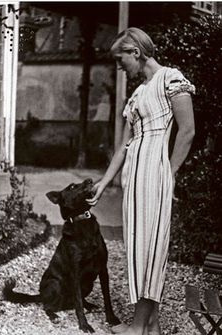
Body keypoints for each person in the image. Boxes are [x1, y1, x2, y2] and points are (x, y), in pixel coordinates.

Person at [86, 27, 195, 335]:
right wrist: (105, 183)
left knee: (151, 247)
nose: (122, 70)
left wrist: (168, 173)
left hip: (154, 172)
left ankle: (137, 328)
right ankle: (152, 325)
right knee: (140, 246)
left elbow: (187, 131)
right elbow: (123, 145)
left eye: (123, 63)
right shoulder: (138, 93)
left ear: (136, 52)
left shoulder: (170, 79)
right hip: (135, 175)